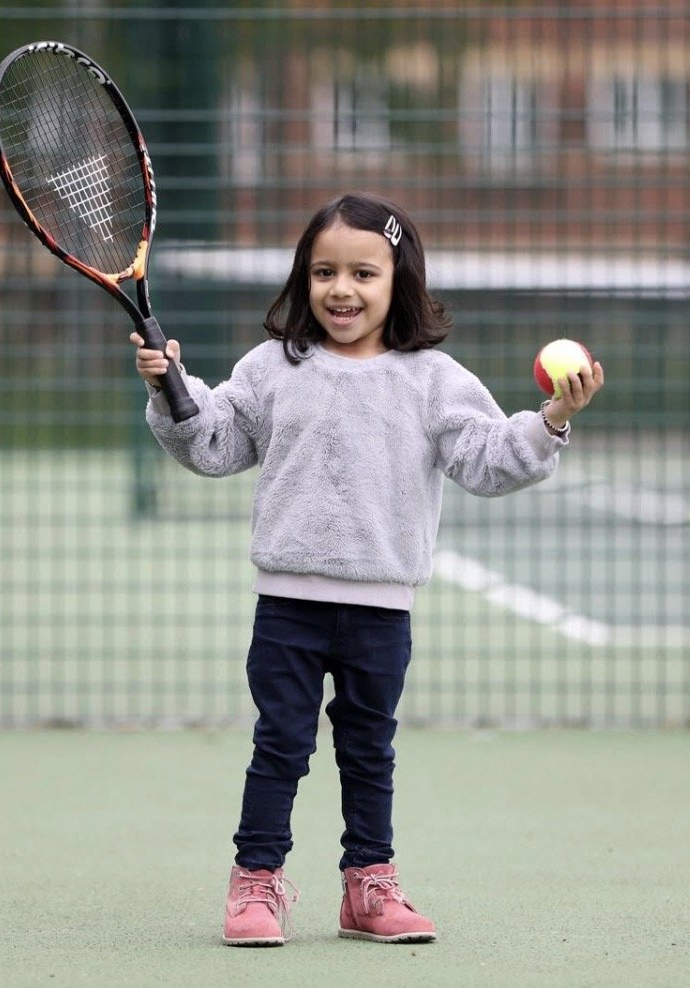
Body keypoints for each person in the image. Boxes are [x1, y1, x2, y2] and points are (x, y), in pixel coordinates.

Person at [132, 192, 604, 947]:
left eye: (362, 272)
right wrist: (171, 391)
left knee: (368, 751)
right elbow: (212, 445)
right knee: (280, 745)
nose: (341, 289)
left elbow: (485, 460)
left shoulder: (433, 379)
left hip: (382, 607)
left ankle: (369, 888)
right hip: (288, 603)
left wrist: (550, 422)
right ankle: (256, 883)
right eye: (323, 272)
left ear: (398, 281)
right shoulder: (270, 368)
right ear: (302, 280)